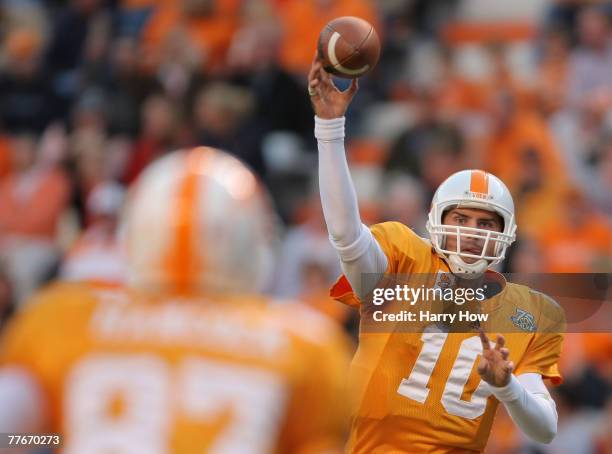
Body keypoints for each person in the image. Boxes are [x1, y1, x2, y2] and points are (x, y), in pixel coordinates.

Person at [0, 147, 351, 453]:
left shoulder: (63, 319)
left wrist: (52, 438)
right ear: (254, 244)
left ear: (137, 235)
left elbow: (8, 434)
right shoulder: (304, 342)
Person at [308, 56, 565, 453]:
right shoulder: (404, 255)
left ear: (505, 234)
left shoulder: (531, 313)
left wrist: (508, 387)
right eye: (461, 219)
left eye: (486, 224)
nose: (473, 234)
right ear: (438, 222)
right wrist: (329, 128)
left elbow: (545, 429)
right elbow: (346, 236)